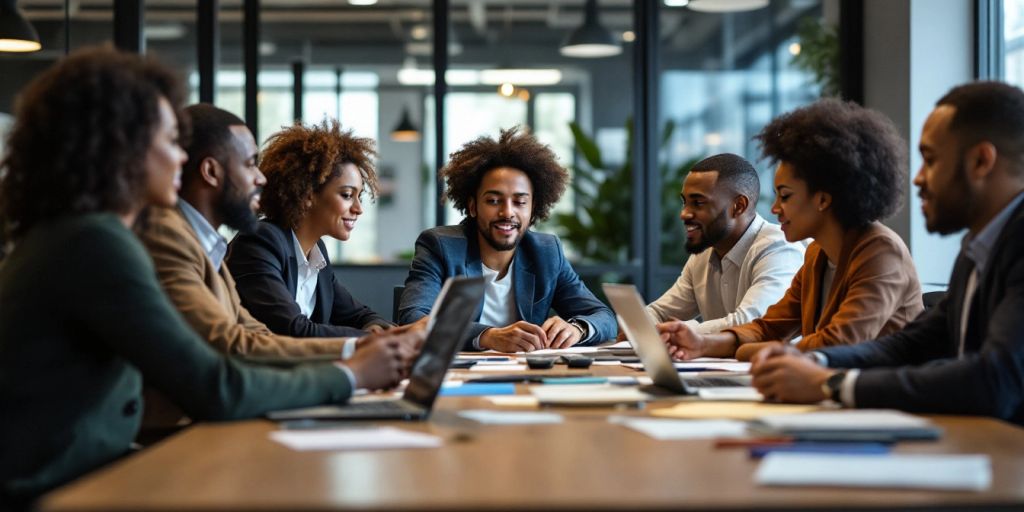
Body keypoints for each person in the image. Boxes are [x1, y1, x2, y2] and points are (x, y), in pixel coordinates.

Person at [0, 47, 414, 506]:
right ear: (122, 148)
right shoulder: (95, 243)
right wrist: (352, 373)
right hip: (58, 488)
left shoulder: (86, 234)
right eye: (170, 141)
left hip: (91, 469)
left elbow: (247, 337)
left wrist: (359, 358)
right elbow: (214, 384)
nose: (181, 158)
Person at [749, 82, 1024, 423]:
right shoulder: (978, 248)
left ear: (982, 161)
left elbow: (995, 380)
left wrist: (833, 385)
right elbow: (913, 344)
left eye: (931, 160)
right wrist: (820, 364)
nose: (918, 179)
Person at [659, 99, 923, 361]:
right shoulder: (817, 254)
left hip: (877, 398)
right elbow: (769, 327)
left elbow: (840, 343)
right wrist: (702, 343)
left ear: (823, 199)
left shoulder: (880, 251)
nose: (774, 209)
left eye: (785, 197)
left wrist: (748, 350)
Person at [138, 104, 396, 359]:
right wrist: (368, 351)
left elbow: (256, 337)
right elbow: (260, 340)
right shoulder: (251, 240)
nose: (261, 179)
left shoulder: (211, 247)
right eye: (250, 164)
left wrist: (389, 338)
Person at [399, 127, 616, 352]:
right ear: (473, 206)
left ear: (533, 210)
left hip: (526, 376)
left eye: (520, 202)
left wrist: (577, 328)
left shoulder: (547, 252)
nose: (507, 212)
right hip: (457, 377)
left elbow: (604, 317)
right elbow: (413, 320)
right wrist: (487, 336)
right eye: (494, 201)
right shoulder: (440, 246)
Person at [226, 120, 393, 339]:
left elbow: (360, 315)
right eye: (346, 195)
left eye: (359, 196)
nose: (358, 209)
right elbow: (292, 330)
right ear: (307, 195)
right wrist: (376, 339)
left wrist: (383, 329)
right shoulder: (260, 241)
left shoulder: (316, 252)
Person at [645, 153, 805, 335]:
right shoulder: (703, 254)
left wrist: (680, 331)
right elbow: (659, 313)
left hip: (773, 363)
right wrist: (642, 327)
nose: (684, 214)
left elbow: (751, 323)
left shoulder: (779, 248)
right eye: (685, 202)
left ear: (739, 206)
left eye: (698, 203)